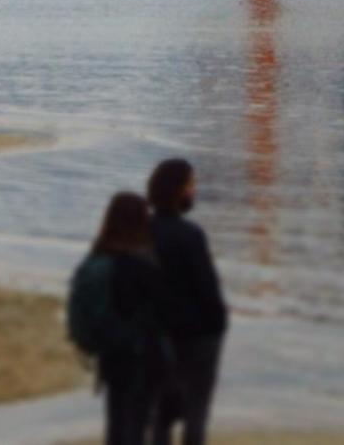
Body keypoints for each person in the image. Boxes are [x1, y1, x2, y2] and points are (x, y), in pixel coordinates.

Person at [69, 191, 169, 445]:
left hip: (111, 354)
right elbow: (162, 317)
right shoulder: (146, 264)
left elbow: (79, 309)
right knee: (139, 423)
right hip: (143, 355)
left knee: (117, 422)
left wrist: (87, 342)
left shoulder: (95, 261)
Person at [147, 158, 228, 445]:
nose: (194, 191)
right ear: (178, 191)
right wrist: (219, 324)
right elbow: (208, 293)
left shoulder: (140, 232)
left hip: (154, 336)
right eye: (190, 185)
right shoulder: (190, 235)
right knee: (196, 413)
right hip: (196, 337)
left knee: (159, 415)